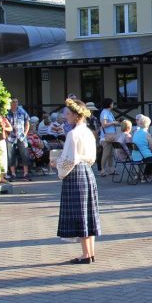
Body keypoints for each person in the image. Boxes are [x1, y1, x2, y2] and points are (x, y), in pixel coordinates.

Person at [52, 99, 100, 264]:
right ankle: (90, 253)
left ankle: (86, 255)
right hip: (87, 171)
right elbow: (92, 158)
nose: (66, 117)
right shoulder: (88, 132)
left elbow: (70, 159)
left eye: (67, 114)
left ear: (74, 115)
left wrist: (58, 166)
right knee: (88, 213)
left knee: (81, 214)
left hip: (75, 173)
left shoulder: (73, 134)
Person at [132, 114, 152, 183]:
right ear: (148, 124)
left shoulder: (135, 132)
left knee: (151, 158)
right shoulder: (147, 134)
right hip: (143, 156)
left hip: (135, 156)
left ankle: (146, 176)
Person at [98, 98, 119, 177]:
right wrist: (113, 122)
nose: (113, 104)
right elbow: (104, 124)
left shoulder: (109, 112)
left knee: (111, 154)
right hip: (106, 136)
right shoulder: (104, 113)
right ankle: (103, 170)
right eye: (112, 103)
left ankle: (111, 170)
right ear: (109, 104)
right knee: (106, 153)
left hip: (111, 135)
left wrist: (115, 123)